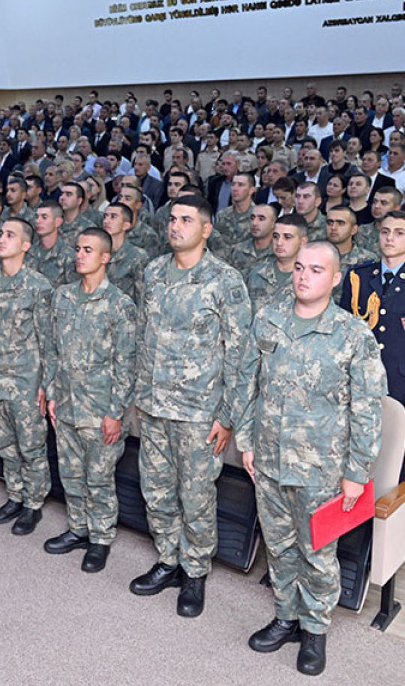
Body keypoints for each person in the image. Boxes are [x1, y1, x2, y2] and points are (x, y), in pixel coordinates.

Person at [237, 242, 385, 677]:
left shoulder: (353, 335)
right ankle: (286, 617)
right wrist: (246, 440)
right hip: (268, 458)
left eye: (316, 269)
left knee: (318, 553)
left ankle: (315, 629)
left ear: (335, 279)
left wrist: (357, 472)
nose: (303, 276)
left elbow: (367, 409)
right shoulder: (268, 319)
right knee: (279, 546)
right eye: (299, 267)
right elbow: (249, 382)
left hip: (322, 468)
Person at [129, 195, 251, 618]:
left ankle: (194, 572)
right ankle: (167, 560)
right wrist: (141, 395)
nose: (175, 226)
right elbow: (144, 337)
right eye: (173, 219)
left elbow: (239, 354)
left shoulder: (225, 280)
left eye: (186, 220)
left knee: (196, 496)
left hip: (200, 413)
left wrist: (229, 416)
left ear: (206, 229)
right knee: (156, 489)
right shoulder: (153, 272)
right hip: (155, 406)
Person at [42, 228, 137, 573]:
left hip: (100, 411)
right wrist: (51, 393)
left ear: (105, 258)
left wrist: (115, 413)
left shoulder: (119, 305)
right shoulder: (63, 296)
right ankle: (78, 528)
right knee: (70, 473)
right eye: (78, 249)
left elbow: (126, 363)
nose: (80, 255)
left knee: (98, 478)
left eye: (88, 250)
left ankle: (100, 538)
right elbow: (53, 350)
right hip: (66, 405)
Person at [338, 211, 405, 473]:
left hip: (401, 386)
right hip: (357, 382)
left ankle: (390, 513)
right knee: (349, 455)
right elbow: (342, 334)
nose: (390, 238)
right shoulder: (359, 277)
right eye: (385, 231)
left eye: (399, 233)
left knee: (392, 462)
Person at [0, 218, 56, 536]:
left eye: (10, 235)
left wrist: (46, 385)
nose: (2, 239)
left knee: (31, 447)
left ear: (26, 245)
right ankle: (14, 495)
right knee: (6, 444)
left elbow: (48, 342)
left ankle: (33, 503)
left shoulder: (38, 286)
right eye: (1, 233)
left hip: (26, 381)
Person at [247, 214, 306, 311]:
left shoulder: (307, 279)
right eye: (275, 236)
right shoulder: (257, 273)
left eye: (287, 237)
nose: (279, 242)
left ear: (302, 242)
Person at [227, 204, 277, 277]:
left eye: (261, 219)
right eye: (252, 218)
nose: (254, 223)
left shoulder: (278, 253)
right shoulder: (237, 250)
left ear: (273, 223)